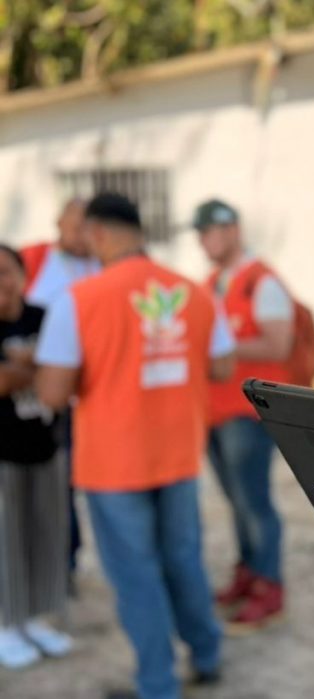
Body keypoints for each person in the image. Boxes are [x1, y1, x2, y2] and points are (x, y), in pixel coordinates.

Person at [34, 193, 235, 699]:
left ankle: (157, 684)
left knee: (136, 576)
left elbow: (52, 394)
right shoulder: (193, 291)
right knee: (184, 559)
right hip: (178, 453)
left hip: (113, 464)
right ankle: (206, 655)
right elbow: (222, 366)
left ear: (98, 232)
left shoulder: (78, 300)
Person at [192, 198, 292, 633]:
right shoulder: (211, 283)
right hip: (214, 410)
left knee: (255, 502)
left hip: (247, 413)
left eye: (211, 231)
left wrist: (219, 348)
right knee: (236, 502)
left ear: (232, 230)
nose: (205, 241)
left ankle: (269, 587)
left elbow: (278, 345)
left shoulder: (261, 281)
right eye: (200, 233)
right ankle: (248, 574)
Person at [20, 197, 100, 584]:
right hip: (48, 394)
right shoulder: (34, 260)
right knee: (56, 484)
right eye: (75, 227)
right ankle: (62, 563)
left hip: (96, 394)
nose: (82, 235)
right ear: (59, 224)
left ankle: (72, 557)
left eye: (89, 227)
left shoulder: (106, 262)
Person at [0, 244, 72, 670]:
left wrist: (23, 371)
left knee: (45, 535)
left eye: (6, 271)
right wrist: (42, 371)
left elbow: (71, 372)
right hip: (3, 455)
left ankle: (37, 617)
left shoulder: (44, 317)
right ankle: (6, 623)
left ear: (23, 275)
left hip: (45, 446)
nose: (1, 282)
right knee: (6, 540)